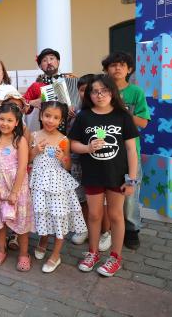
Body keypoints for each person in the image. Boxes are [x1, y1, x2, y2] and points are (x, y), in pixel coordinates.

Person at [69, 75, 139, 277]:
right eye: (94, 91)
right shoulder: (84, 116)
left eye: (104, 90)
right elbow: (73, 144)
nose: (99, 95)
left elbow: (131, 150)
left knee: (116, 215)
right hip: (92, 175)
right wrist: (88, 147)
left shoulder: (122, 116)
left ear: (112, 92)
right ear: (89, 94)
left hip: (116, 175)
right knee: (93, 215)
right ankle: (93, 252)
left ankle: (115, 257)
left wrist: (131, 180)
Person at [29, 101, 87, 273]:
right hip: (38, 182)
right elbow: (27, 159)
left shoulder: (64, 139)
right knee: (42, 212)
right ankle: (44, 240)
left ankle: (55, 255)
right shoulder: (33, 136)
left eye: (56, 118)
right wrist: (35, 151)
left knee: (58, 215)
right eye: (47, 116)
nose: (50, 120)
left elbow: (68, 167)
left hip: (57, 184)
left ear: (61, 120)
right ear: (41, 115)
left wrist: (63, 158)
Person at [103, 52, 149, 250]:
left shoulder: (136, 93)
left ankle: (132, 230)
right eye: (112, 65)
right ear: (106, 70)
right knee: (107, 193)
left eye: (122, 65)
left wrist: (122, 111)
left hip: (130, 152)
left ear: (129, 69)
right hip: (106, 152)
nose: (117, 69)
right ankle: (108, 230)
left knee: (130, 193)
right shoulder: (101, 91)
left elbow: (143, 122)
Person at [0, 103, 33, 272]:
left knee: (21, 221)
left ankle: (24, 254)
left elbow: (22, 167)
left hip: (17, 187)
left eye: (9, 120)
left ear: (17, 122)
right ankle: (0, 250)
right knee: (0, 221)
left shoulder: (20, 140)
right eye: (2, 119)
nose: (5, 123)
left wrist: (14, 192)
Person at [70, 74, 112, 252]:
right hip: (78, 162)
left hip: (100, 165)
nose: (86, 93)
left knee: (102, 202)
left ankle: (106, 232)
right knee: (83, 199)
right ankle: (86, 228)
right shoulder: (75, 112)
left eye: (90, 90)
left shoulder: (105, 112)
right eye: (82, 90)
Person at [23, 48, 80, 132]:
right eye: (44, 60)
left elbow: (84, 101)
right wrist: (31, 102)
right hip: (47, 131)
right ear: (40, 66)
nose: (49, 62)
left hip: (72, 129)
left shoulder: (71, 79)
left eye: (52, 58)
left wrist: (75, 108)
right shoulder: (36, 85)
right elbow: (20, 104)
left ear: (58, 62)